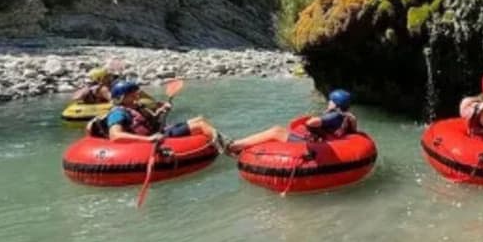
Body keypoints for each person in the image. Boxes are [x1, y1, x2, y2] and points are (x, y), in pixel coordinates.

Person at [89, 80, 226, 151]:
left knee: (200, 119)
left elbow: (150, 122)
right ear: (123, 97)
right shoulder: (118, 113)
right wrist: (149, 140)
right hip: (153, 139)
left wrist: (161, 112)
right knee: (200, 125)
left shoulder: (136, 106)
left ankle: (220, 141)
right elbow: (115, 136)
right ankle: (227, 146)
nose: (138, 95)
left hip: (158, 133)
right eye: (133, 93)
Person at [227, 89, 357, 154]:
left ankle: (235, 146)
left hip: (317, 146)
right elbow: (352, 133)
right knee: (282, 131)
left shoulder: (333, 116)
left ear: (335, 104)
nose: (329, 103)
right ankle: (240, 145)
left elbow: (312, 123)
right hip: (327, 142)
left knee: (276, 131)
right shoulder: (349, 117)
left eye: (331, 101)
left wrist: (313, 121)